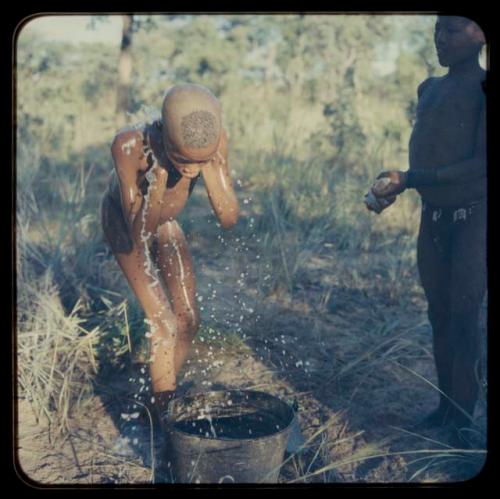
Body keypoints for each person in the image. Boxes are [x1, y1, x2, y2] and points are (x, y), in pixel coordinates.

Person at [365, 16, 487, 443]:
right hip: (433, 218)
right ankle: (444, 406)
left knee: (464, 316)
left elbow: (479, 165)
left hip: (473, 220)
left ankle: (463, 419)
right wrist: (395, 185)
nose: (441, 36)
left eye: (453, 29)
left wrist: (411, 178)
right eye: (438, 27)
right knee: (439, 313)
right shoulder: (428, 88)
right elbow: (428, 151)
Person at [101, 83, 239, 428]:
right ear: (163, 135)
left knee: (189, 319)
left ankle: (157, 395)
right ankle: (164, 420)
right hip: (126, 224)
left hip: (167, 222)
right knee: (162, 321)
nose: (191, 171)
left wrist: (211, 170)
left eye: (200, 161)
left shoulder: (214, 141)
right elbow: (139, 233)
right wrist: (157, 186)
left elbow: (227, 219)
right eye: (184, 162)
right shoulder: (130, 145)